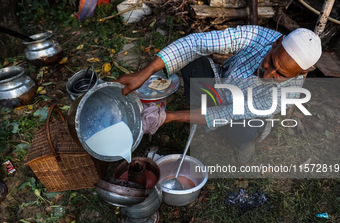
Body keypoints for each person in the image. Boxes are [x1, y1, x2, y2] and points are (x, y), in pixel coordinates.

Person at [116, 25, 322, 163]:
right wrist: (144, 73)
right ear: (276, 43)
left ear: (302, 73)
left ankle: (244, 143)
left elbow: (226, 113)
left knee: (244, 129)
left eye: (280, 74)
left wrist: (167, 116)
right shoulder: (259, 36)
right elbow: (196, 43)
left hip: (241, 116)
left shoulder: (288, 95)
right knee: (194, 64)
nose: (268, 74)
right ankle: (197, 118)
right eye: (271, 62)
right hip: (220, 85)